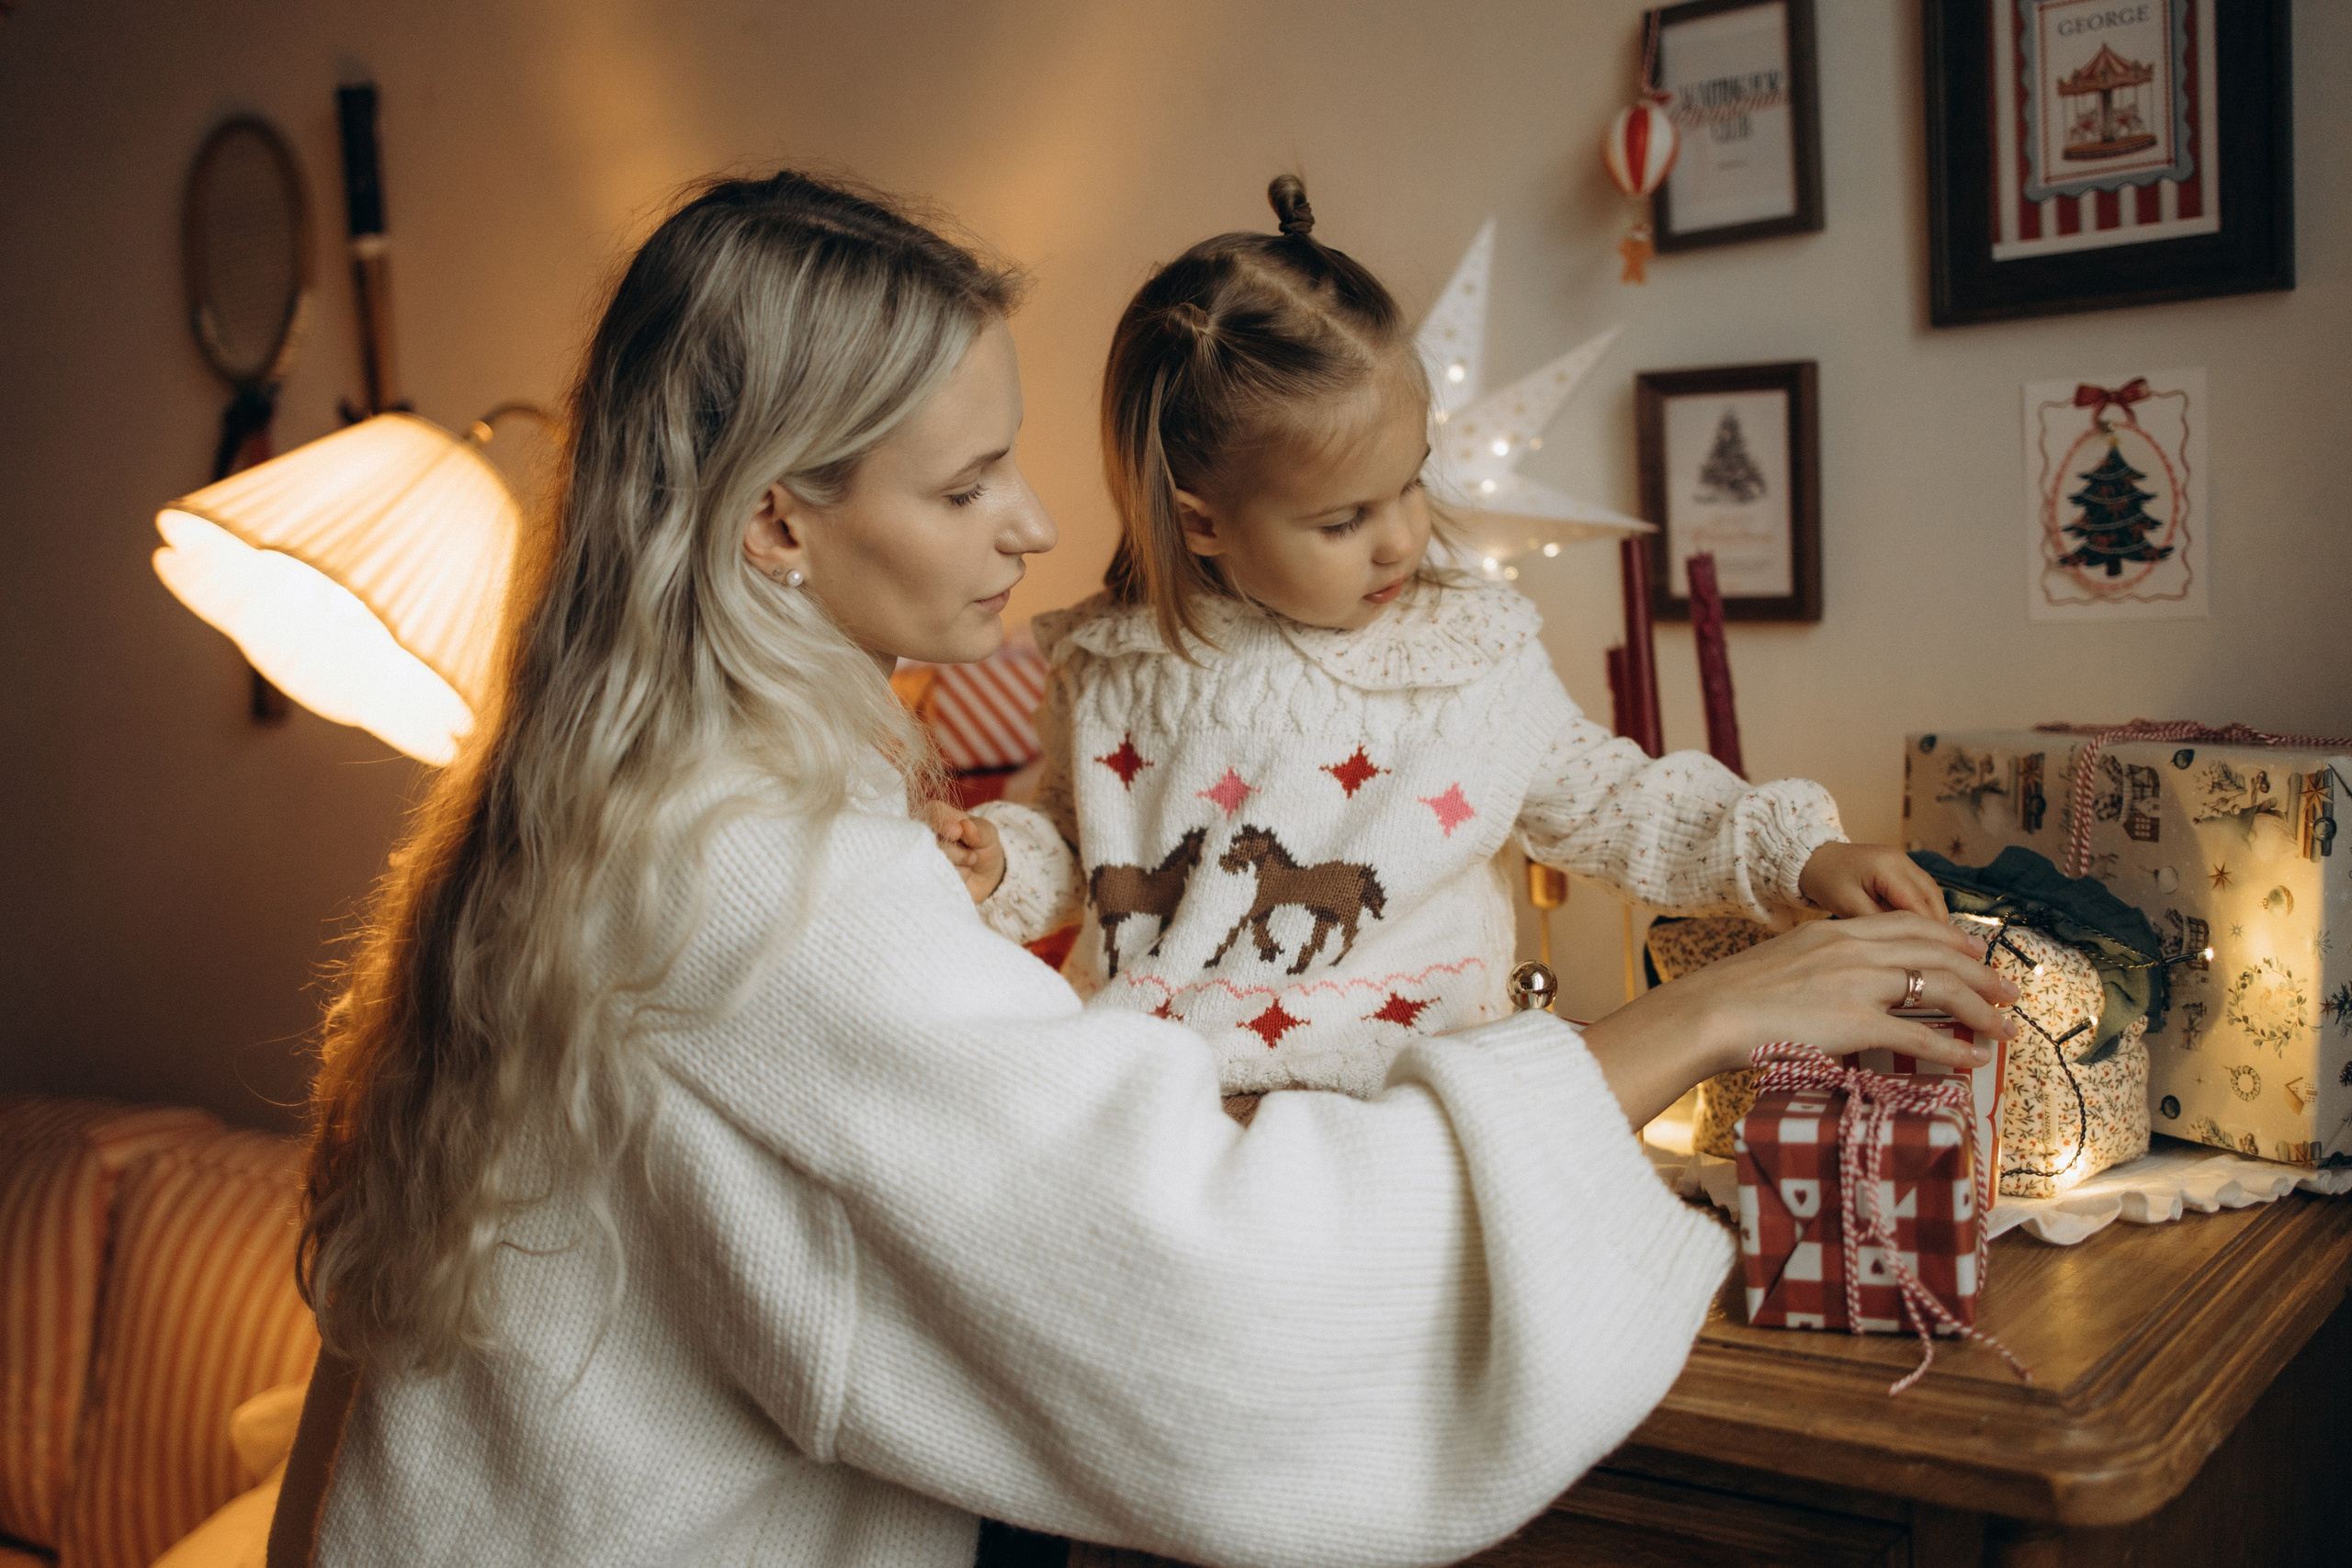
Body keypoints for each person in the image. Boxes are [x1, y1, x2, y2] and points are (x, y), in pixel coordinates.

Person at [269, 169, 2016, 1568]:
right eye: (964, 489)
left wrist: (1767, 870)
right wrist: (1712, 1013)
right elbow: (1221, 1282)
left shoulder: (622, 798)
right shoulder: (756, 878)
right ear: (776, 522)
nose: (1033, 526)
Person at [933, 175, 1945, 1103]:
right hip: (1159, 1097)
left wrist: (1795, 853)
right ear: (1201, 522)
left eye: (1411, 483)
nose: (1402, 537)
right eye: (1342, 522)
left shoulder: (1465, 649)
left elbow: (1610, 800)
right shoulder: (1115, 659)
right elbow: (1084, 845)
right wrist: (1001, 860)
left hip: (1405, 1104)